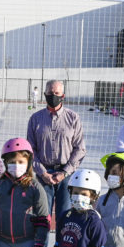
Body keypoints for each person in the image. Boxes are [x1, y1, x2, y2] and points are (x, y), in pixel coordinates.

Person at [26, 80, 87, 224]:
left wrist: (65, 172)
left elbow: (80, 148)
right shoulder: (35, 119)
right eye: (50, 93)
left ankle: (62, 246)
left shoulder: (73, 118)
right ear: (45, 94)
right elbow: (30, 150)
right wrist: (42, 172)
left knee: (64, 218)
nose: (53, 96)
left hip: (66, 176)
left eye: (57, 93)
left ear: (63, 95)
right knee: (41, 219)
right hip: (43, 175)